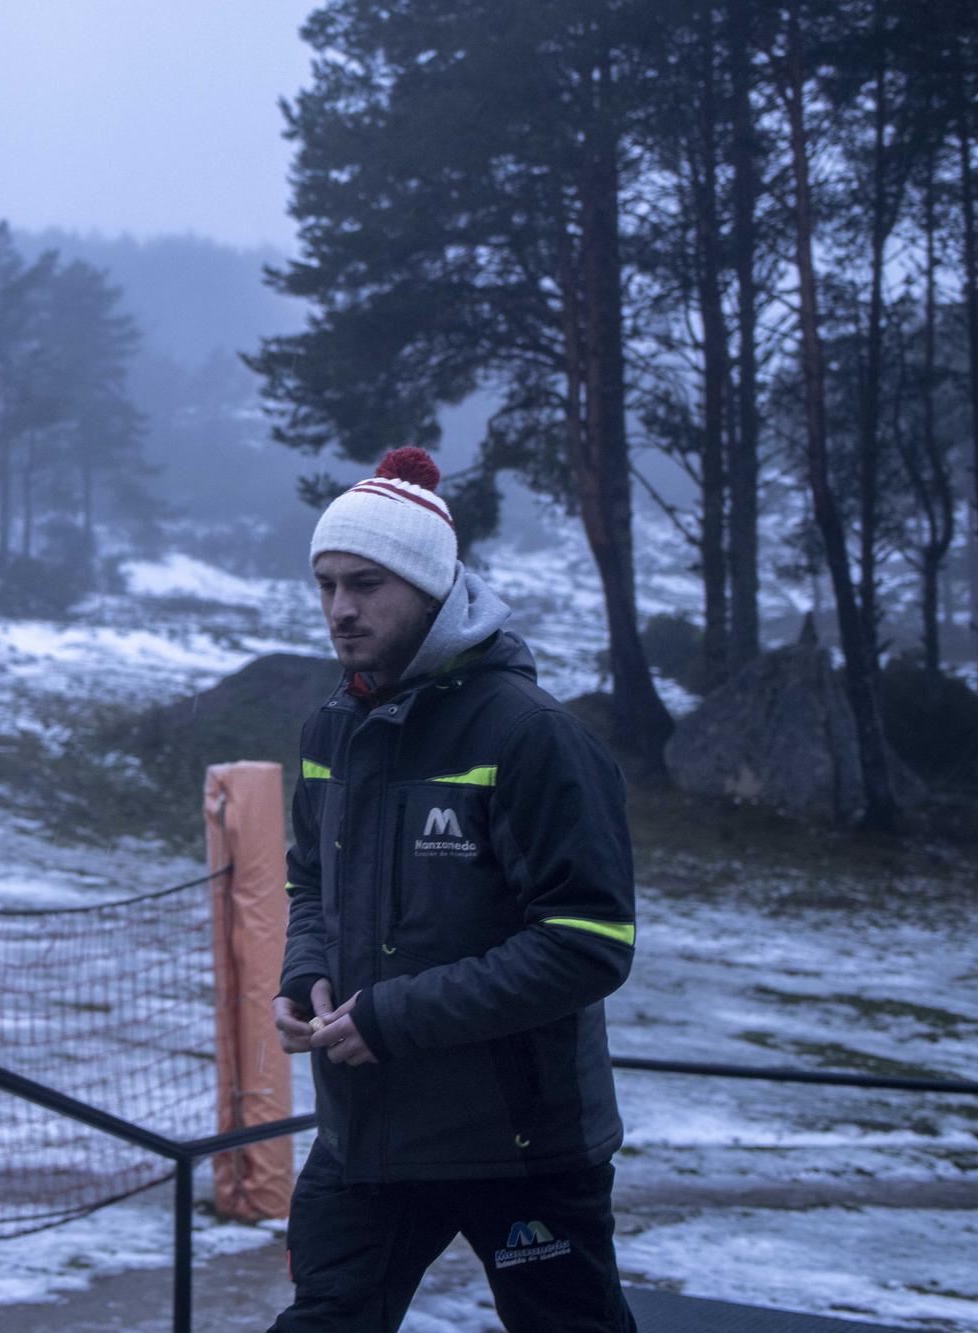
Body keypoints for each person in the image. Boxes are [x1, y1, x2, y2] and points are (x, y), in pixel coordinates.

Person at [268, 446, 639, 1332]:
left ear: (433, 588)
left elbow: (588, 942)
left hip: (519, 1145)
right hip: (366, 1136)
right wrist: (302, 972)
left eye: (366, 583)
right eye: (326, 584)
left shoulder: (533, 735)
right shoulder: (334, 726)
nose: (341, 609)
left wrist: (394, 1018)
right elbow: (309, 878)